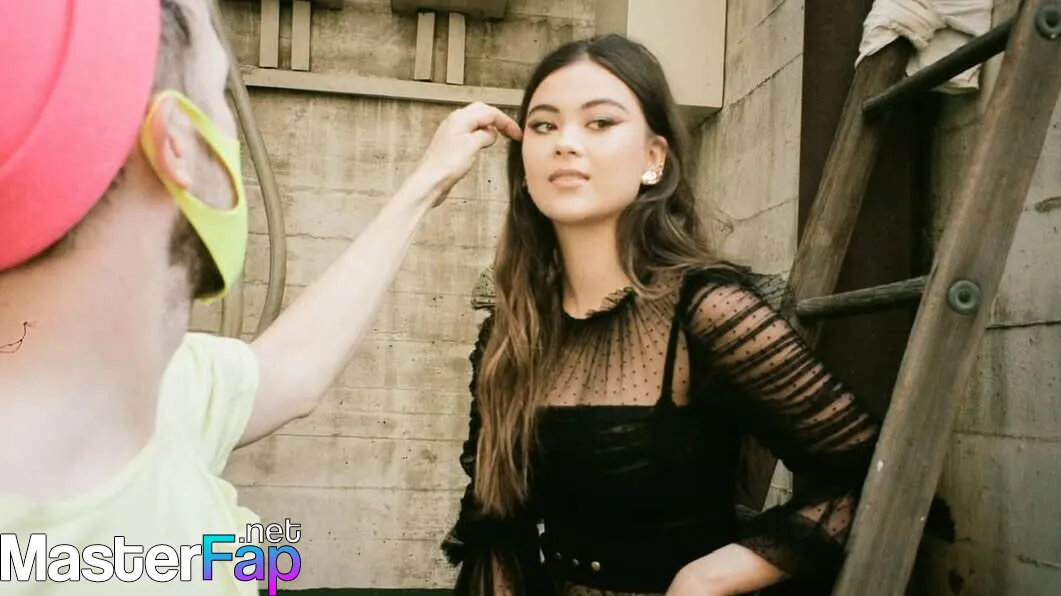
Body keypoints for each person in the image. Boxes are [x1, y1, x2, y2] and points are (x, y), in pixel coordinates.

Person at [0, 0, 519, 593]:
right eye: (222, 92)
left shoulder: (147, 387)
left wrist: (424, 186)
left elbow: (289, 371)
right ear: (179, 144)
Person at [440, 34, 882, 596]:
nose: (565, 143)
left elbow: (863, 472)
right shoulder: (512, 332)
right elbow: (496, 525)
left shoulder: (707, 309)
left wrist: (708, 578)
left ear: (654, 159)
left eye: (600, 122)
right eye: (544, 125)